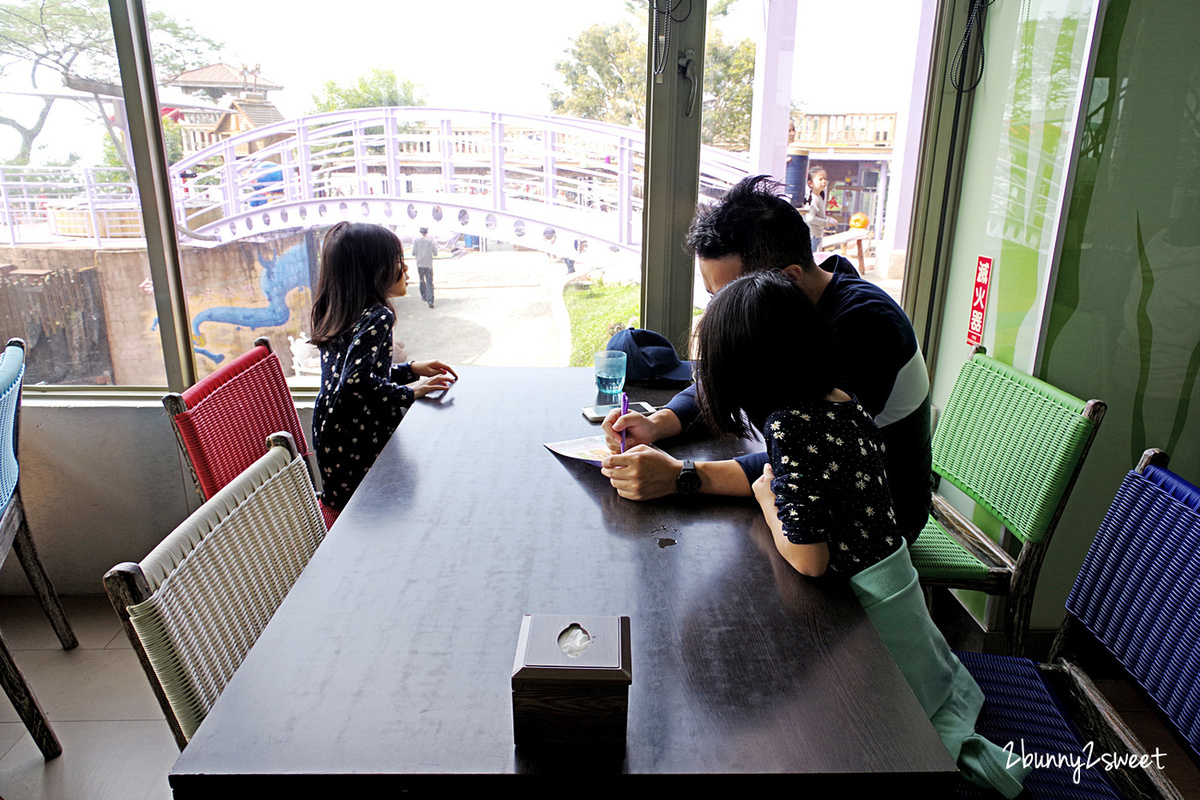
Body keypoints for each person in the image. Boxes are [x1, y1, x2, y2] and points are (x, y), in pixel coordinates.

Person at [694, 271, 1028, 798]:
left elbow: (810, 559)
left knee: (802, 729)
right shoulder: (842, 399)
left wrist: (765, 496)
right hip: (897, 576)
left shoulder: (789, 425)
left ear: (746, 369)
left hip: (869, 614)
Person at [601, 175, 932, 545]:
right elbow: (724, 378)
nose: (718, 315)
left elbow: (805, 460)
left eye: (729, 296)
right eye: (713, 298)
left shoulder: (867, 328)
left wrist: (681, 475)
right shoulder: (796, 306)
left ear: (788, 278)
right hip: (800, 499)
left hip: (875, 527)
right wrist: (661, 422)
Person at [309, 222, 457, 509]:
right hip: (360, 454)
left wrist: (411, 369)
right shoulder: (377, 316)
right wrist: (410, 392)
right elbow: (356, 384)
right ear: (373, 270)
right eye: (397, 261)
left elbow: (359, 377)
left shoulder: (338, 311)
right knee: (427, 489)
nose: (405, 269)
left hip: (334, 449)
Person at [799, 166, 834, 253]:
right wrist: (826, 222)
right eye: (820, 179)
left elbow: (818, 215)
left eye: (825, 179)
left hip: (817, 234)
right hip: (812, 235)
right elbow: (810, 218)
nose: (824, 181)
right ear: (810, 183)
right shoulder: (813, 199)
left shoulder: (819, 197)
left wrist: (827, 219)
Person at [412, 227, 438, 308]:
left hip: (420, 264)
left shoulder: (416, 241)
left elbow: (413, 253)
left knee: (421, 280)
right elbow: (435, 253)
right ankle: (430, 300)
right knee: (429, 282)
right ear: (427, 232)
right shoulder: (430, 242)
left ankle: (424, 296)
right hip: (428, 264)